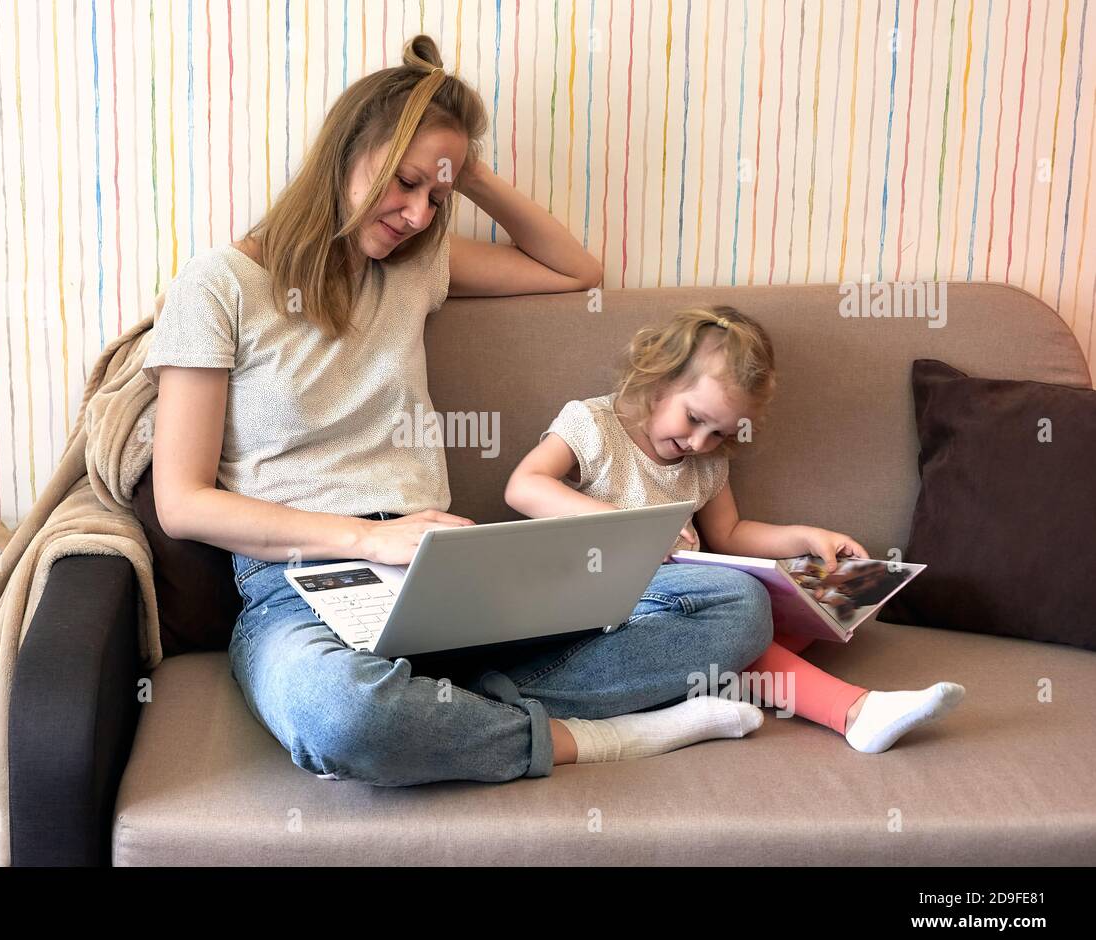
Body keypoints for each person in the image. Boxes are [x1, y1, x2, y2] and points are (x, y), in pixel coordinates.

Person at [141, 35, 773, 786]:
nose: (415, 215)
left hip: (449, 577)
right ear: (347, 147)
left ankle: (461, 713)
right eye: (407, 181)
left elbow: (575, 269)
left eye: (435, 196)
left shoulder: (417, 266)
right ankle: (592, 738)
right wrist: (369, 542)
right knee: (341, 714)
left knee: (735, 605)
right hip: (298, 588)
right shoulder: (218, 285)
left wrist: (463, 169)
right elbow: (181, 502)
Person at [506, 306, 966, 754]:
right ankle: (854, 712)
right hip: (614, 599)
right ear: (657, 378)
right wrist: (631, 528)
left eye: (720, 434)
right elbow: (524, 487)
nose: (700, 443)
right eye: (694, 419)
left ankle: (705, 687)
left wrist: (805, 539)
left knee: (819, 604)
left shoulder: (705, 463)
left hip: (684, 603)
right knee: (745, 609)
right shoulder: (594, 424)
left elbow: (730, 533)